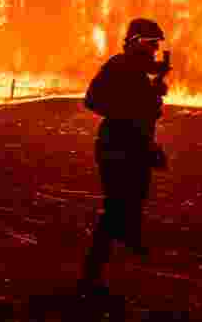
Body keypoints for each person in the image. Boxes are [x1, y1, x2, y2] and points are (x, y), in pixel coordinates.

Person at [78, 18, 171, 296]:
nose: (156, 50)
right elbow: (92, 100)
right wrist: (131, 110)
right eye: (152, 43)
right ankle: (91, 276)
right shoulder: (119, 66)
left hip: (134, 146)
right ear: (137, 42)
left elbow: (145, 111)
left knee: (137, 194)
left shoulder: (136, 70)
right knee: (115, 208)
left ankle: (129, 236)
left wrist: (153, 91)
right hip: (117, 147)